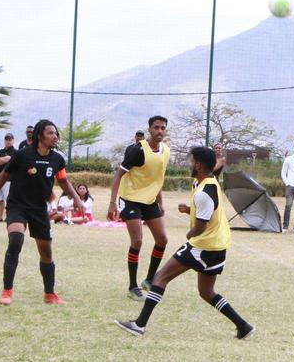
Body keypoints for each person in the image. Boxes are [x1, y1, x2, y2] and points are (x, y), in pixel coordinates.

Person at [115, 146, 254, 339]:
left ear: (198, 165)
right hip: (218, 245)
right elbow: (209, 208)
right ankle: (243, 326)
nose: (190, 164)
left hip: (204, 246)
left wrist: (190, 234)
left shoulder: (204, 192)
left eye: (192, 161)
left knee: (160, 278)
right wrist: (189, 210)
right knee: (206, 292)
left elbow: (201, 227)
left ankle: (139, 325)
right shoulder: (209, 181)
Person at [0, 119, 82, 306]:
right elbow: (3, 177)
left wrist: (76, 199)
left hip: (39, 209)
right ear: (40, 135)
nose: (55, 137)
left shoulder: (57, 159)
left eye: (56, 133)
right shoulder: (22, 155)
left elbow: (63, 181)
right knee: (15, 240)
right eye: (50, 133)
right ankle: (7, 291)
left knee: (46, 252)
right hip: (18, 206)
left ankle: (49, 295)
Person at [109, 115, 171, 301]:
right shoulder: (138, 151)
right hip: (130, 199)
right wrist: (113, 202)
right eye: (156, 127)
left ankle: (149, 279)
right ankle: (132, 287)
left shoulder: (166, 151)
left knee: (162, 239)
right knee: (137, 241)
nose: (159, 131)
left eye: (163, 128)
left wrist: (160, 202)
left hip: (149, 200)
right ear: (149, 129)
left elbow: (157, 179)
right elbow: (118, 176)